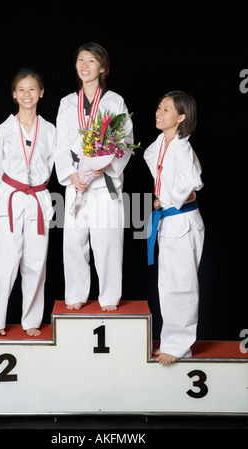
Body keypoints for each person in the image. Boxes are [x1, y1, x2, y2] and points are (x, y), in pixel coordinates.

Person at [55, 42, 133, 311]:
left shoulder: (114, 101)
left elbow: (124, 141)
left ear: (102, 67)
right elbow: (59, 144)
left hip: (104, 181)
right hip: (76, 180)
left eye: (91, 61)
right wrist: (69, 173)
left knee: (108, 241)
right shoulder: (67, 103)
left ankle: (109, 297)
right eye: (80, 60)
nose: (85, 65)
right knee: (73, 242)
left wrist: (105, 165)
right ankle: (75, 294)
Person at [0, 68, 56, 336]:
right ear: (14, 95)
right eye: (21, 89)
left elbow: (51, 165)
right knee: (4, 259)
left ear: (41, 93)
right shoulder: (3, 129)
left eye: (32, 89)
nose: (27, 94)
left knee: (36, 262)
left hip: (38, 198)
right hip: (10, 198)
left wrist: (34, 189)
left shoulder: (49, 130)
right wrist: (12, 191)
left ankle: (31, 321)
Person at [144, 91, 205, 364]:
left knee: (182, 285)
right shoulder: (160, 143)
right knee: (167, 285)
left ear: (181, 117)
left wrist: (170, 199)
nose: (159, 113)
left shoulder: (182, 148)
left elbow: (192, 184)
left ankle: (179, 345)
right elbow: (156, 167)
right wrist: (162, 199)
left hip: (183, 221)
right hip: (169, 221)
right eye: (159, 107)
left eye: (166, 110)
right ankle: (173, 341)